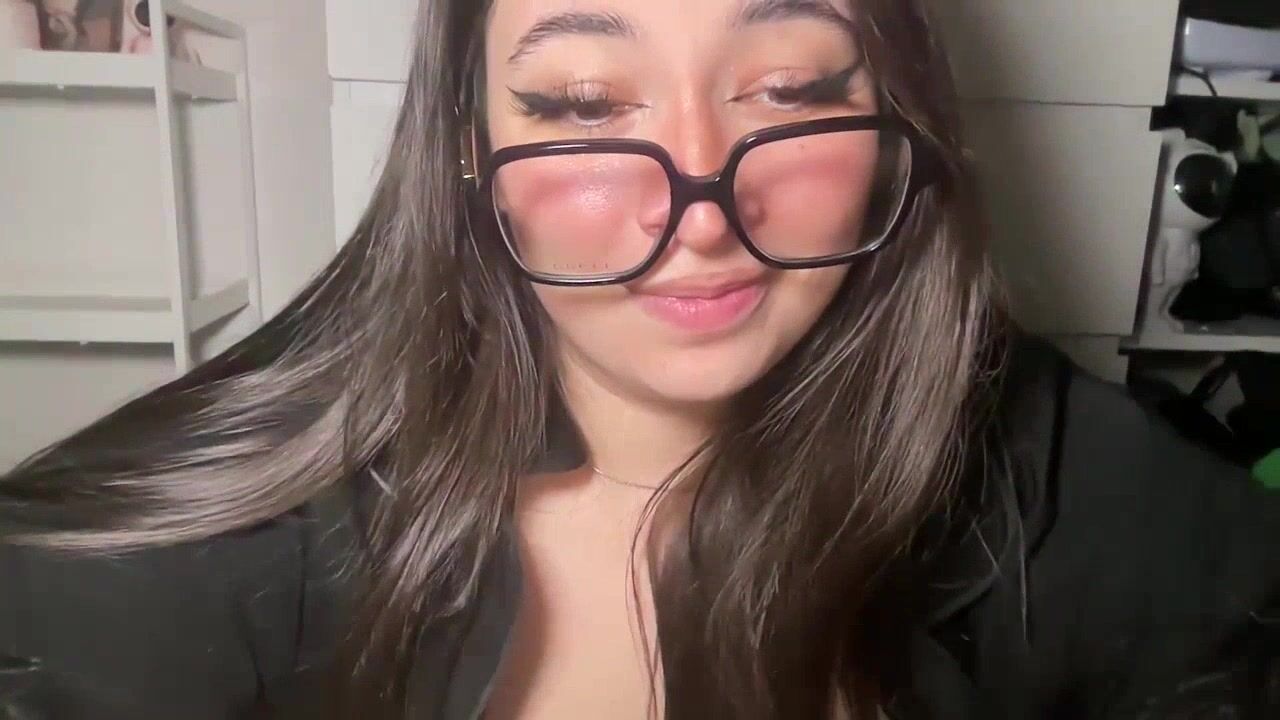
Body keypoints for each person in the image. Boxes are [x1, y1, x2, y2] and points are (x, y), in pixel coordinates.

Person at [0, 1, 1276, 718]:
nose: (702, 211)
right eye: (583, 103)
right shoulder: (166, 577)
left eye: (790, 90)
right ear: (466, 148)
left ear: (895, 122)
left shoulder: (1051, 471)